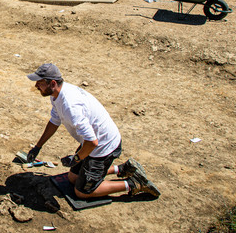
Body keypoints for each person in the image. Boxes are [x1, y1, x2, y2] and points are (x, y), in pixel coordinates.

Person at [25, 63, 160, 199]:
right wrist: (37, 147)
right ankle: (122, 169)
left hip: (104, 147)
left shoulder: (70, 107)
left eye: (40, 82)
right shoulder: (56, 95)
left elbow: (93, 142)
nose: (36, 86)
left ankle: (134, 183)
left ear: (52, 83)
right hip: (91, 142)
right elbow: (54, 121)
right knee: (72, 177)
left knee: (82, 192)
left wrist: (76, 158)